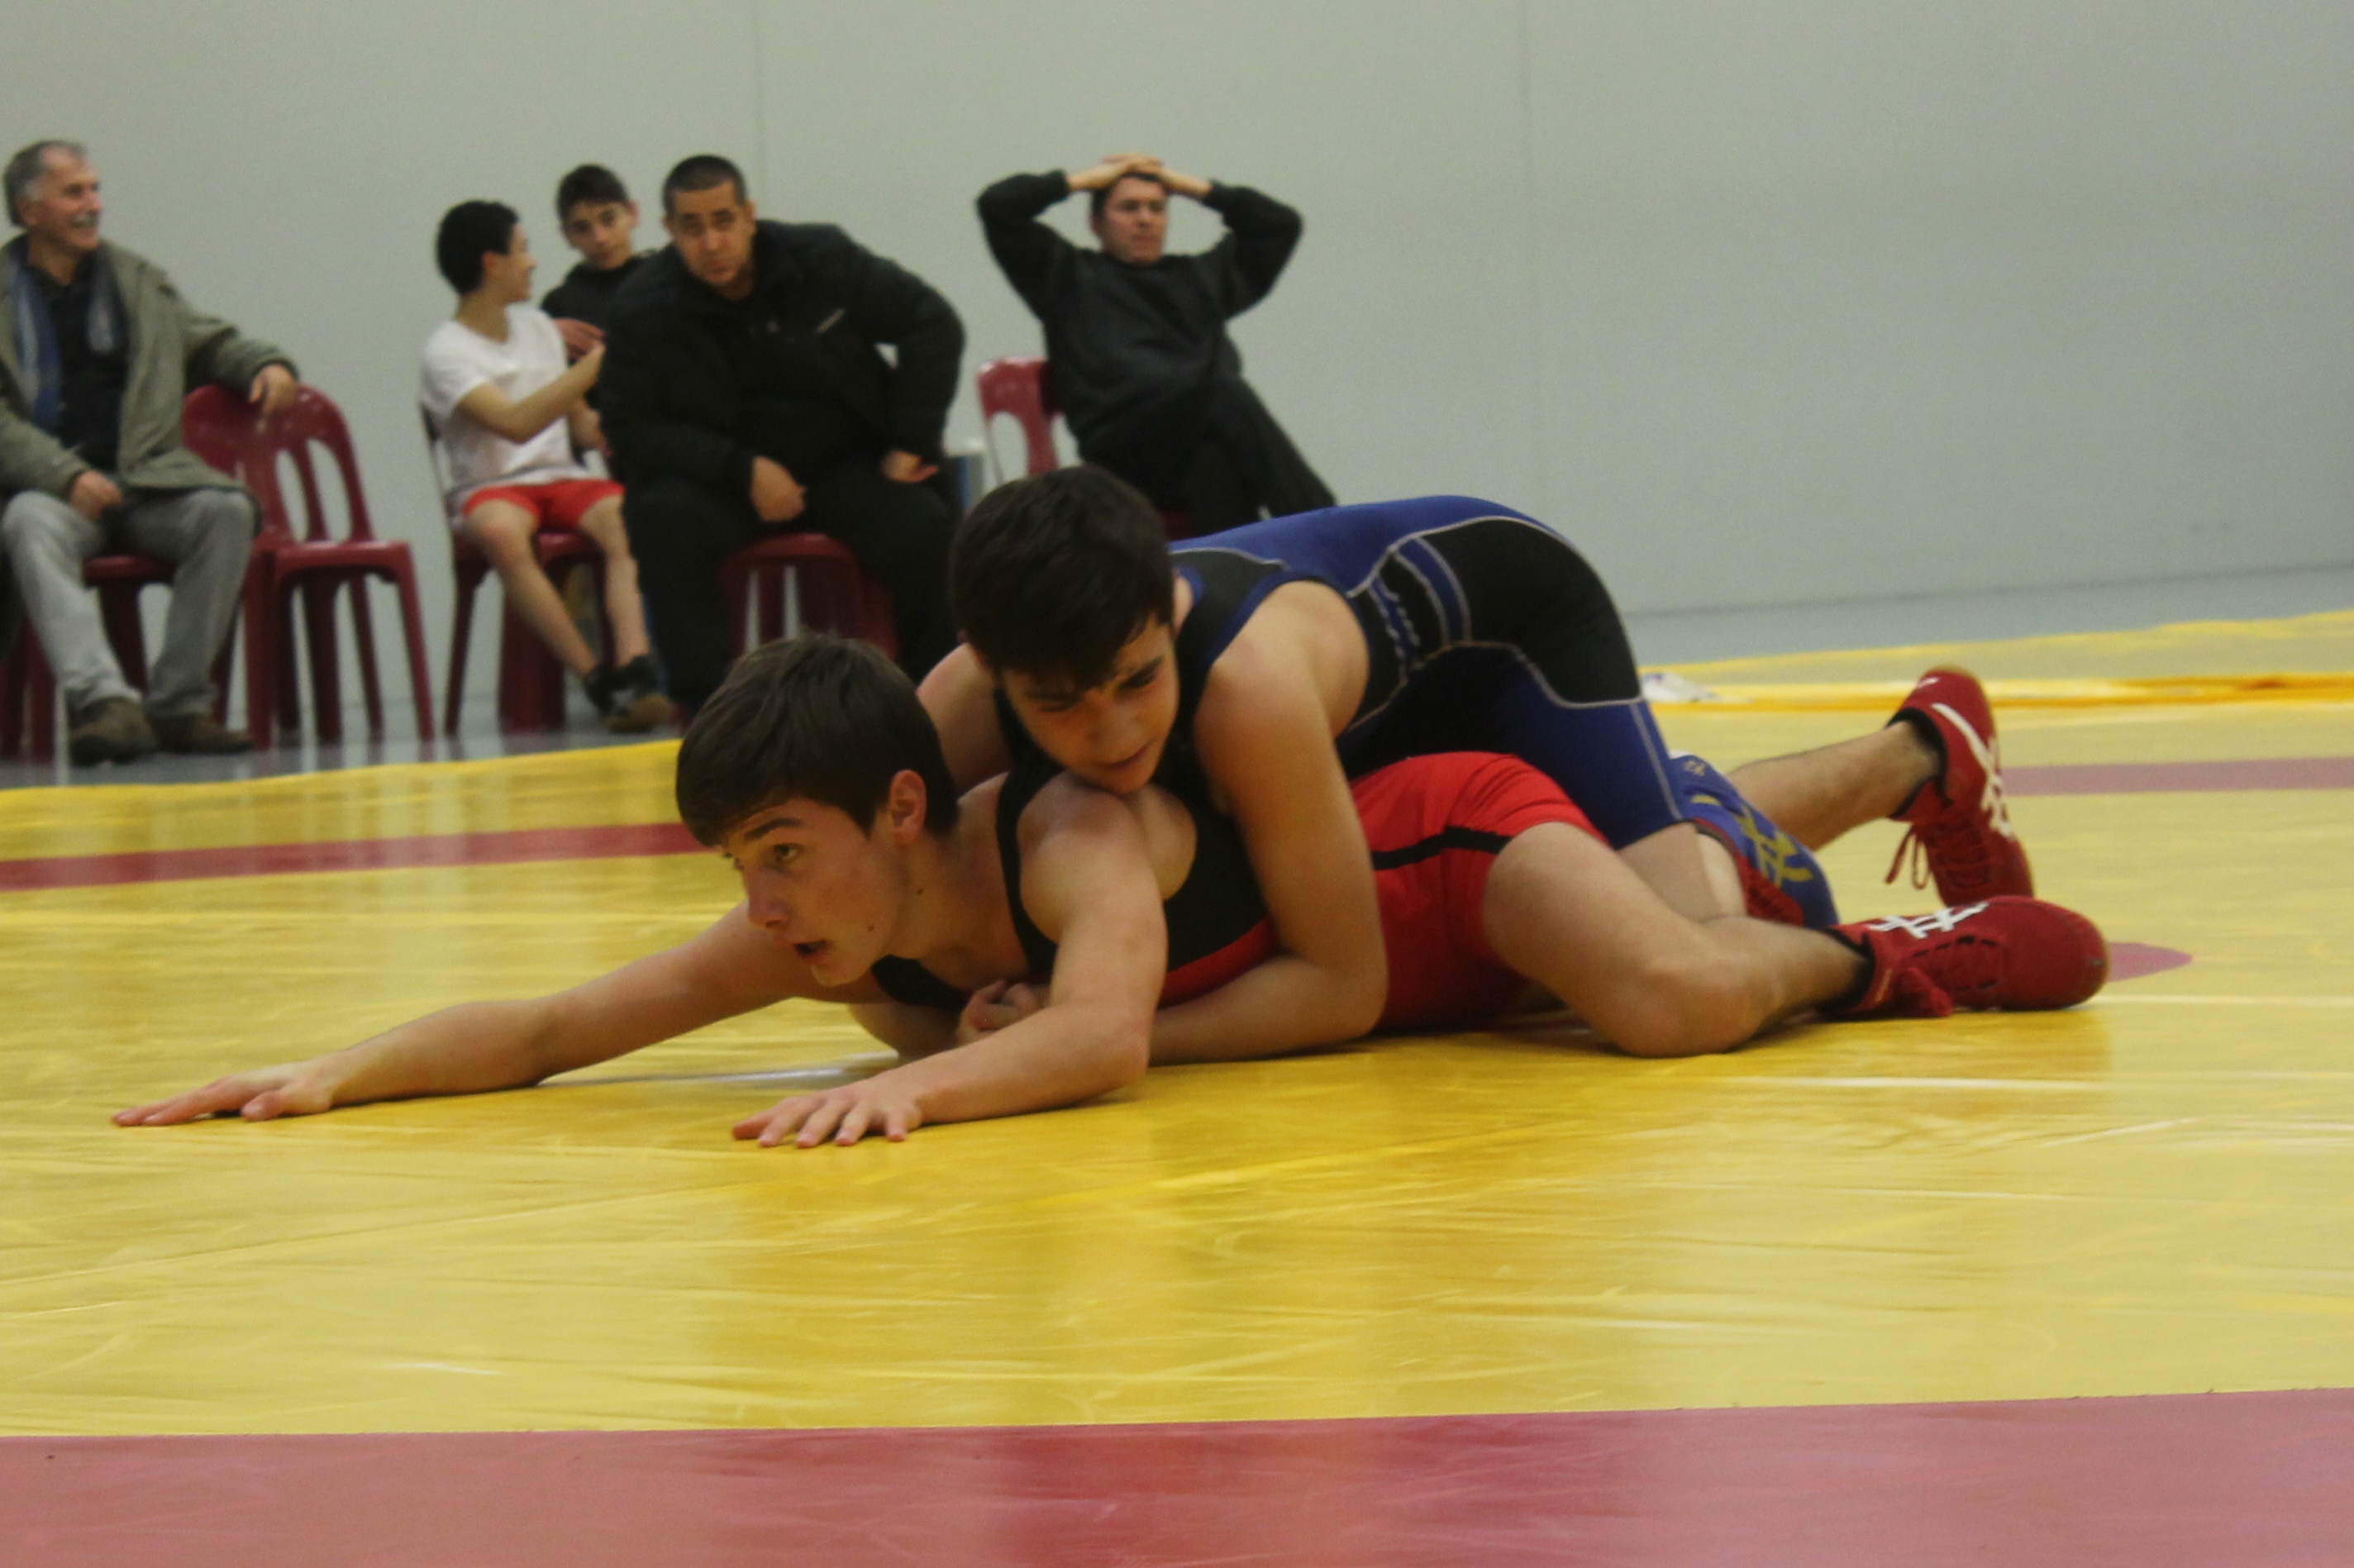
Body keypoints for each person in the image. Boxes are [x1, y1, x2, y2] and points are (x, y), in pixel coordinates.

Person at [115, 636, 2106, 1150]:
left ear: (904, 811)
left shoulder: (1061, 834)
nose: (764, 905)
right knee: (1688, 841)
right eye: (743, 870)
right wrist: (328, 1069)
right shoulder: (823, 920)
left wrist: (912, 1083)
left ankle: (1881, 957)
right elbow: (563, 1024)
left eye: (784, 854)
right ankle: (1916, 753)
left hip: (1446, 854)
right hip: (1414, 959)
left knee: (1672, 986)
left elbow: (1096, 1037)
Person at [923, 470, 2041, 1065]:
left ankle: (1906, 755)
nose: (1110, 732)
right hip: (1358, 706)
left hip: (1508, 630)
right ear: (992, 668)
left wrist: (1102, 1033)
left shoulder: (1244, 688)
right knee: (1591, 903)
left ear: (1165, 621)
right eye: (1058, 706)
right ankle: (1712, 791)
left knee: (1686, 946)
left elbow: (1344, 984)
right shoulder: (962, 700)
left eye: (1137, 681)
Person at [602, 154, 962, 713]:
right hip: (724, 482)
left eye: (724, 222)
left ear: (749, 216)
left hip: (847, 463)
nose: (712, 243)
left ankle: (931, 703)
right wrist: (738, 467)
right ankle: (707, 712)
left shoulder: (819, 258)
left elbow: (931, 323)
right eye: (693, 228)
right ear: (669, 229)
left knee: (924, 523)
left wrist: (908, 443)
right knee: (659, 517)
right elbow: (630, 429)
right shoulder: (642, 307)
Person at [0, 139, 291, 765]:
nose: (93, 205)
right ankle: (105, 703)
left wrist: (264, 363)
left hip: (148, 480)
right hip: (53, 491)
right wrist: (63, 475)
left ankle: (178, 706)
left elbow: (207, 341)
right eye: (74, 193)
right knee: (25, 523)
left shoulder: (135, 281)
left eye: (95, 189)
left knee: (225, 512)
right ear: (30, 211)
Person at [978, 153, 1334, 531]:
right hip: (1122, 454)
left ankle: (1228, 563)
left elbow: (1279, 225)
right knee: (1222, 392)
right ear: (1096, 223)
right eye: (1129, 208)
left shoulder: (1199, 278)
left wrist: (1191, 187)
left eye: (1157, 208)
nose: (1145, 219)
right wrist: (1083, 181)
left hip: (1191, 446)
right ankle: (1323, 529)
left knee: (1215, 461)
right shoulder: (1066, 277)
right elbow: (999, 206)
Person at [421, 201, 669, 732]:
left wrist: (621, 425)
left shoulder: (536, 327)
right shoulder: (445, 352)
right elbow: (515, 424)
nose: (532, 262)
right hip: (491, 485)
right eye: (522, 250)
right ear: (492, 264)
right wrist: (600, 363)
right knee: (502, 533)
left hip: (562, 477)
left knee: (628, 515)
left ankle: (636, 668)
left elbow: (577, 423)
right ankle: (595, 678)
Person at [540, 164, 647, 361]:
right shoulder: (560, 308)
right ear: (566, 235)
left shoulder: (669, 280)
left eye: (609, 219)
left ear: (633, 213)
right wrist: (545, 336)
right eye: (582, 228)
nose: (600, 238)